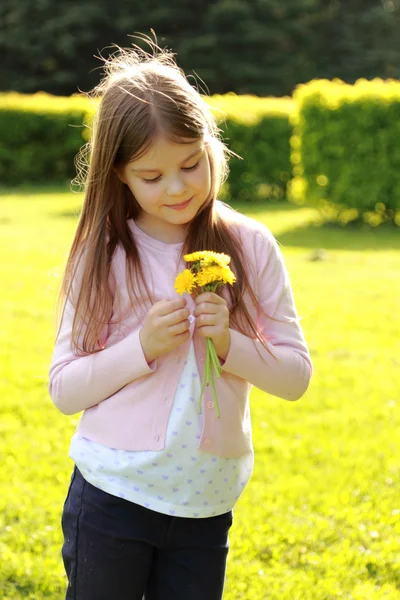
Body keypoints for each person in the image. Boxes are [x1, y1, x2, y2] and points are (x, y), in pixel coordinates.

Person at [48, 39, 313, 600]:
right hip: (113, 494)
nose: (177, 188)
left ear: (210, 146)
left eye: (191, 165)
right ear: (118, 174)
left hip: (205, 502)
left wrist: (230, 345)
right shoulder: (104, 254)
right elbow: (65, 390)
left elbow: (295, 378)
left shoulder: (250, 245)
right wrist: (140, 346)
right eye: (151, 176)